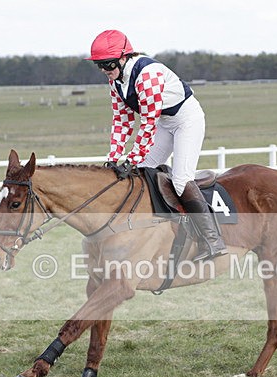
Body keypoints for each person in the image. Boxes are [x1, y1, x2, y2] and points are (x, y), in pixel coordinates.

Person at [86, 29, 227, 261]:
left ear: (123, 57)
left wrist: (130, 158)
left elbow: (147, 123)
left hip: (186, 120)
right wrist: (113, 157)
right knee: (144, 172)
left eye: (108, 64)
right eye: (99, 65)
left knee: (181, 180)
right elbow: (122, 121)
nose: (104, 70)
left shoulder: (147, 74)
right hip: (164, 122)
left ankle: (213, 240)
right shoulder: (116, 82)